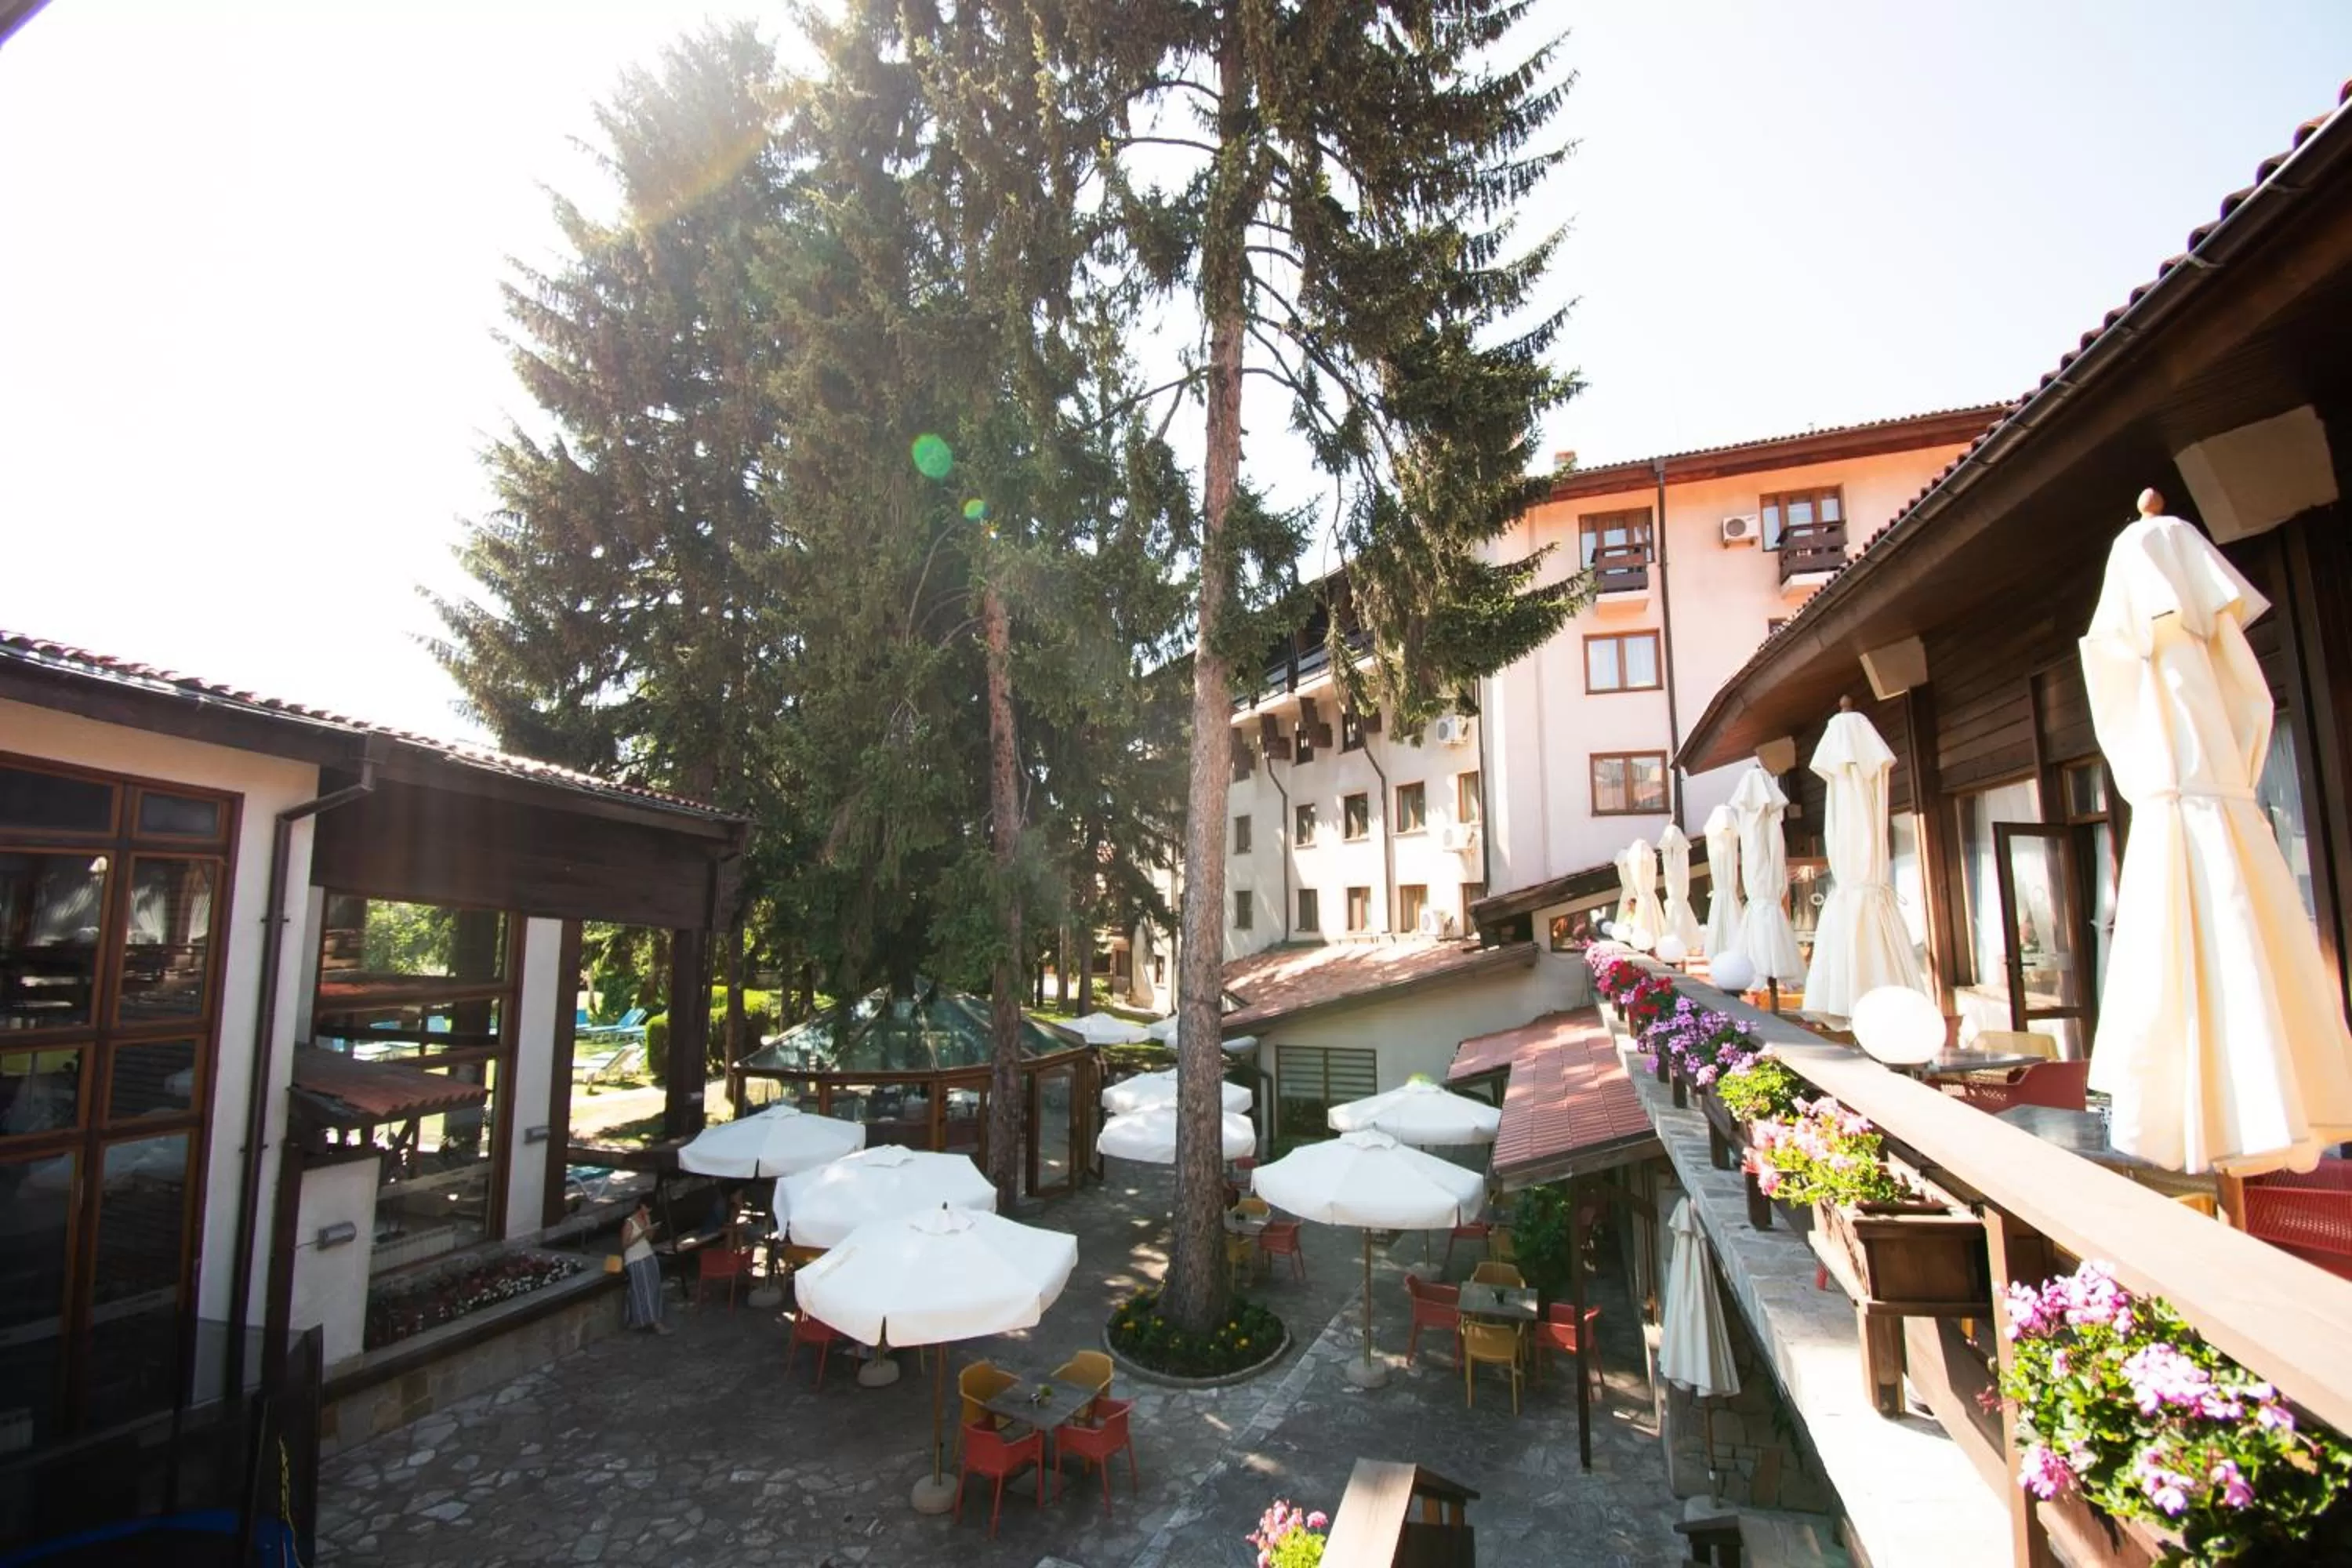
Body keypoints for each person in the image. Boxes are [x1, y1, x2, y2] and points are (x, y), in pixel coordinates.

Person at [621, 1203, 671, 1335]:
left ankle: (653, 1318)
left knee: (654, 1287)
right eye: (647, 1208)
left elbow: (649, 1238)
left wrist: (650, 1227)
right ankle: (651, 1321)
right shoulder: (630, 1222)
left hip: (648, 1254)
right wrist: (641, 1234)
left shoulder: (646, 1219)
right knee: (643, 1290)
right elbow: (625, 1244)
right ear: (641, 1206)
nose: (649, 1210)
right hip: (635, 1259)